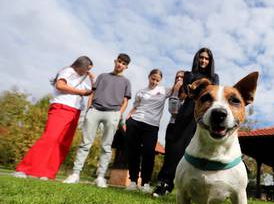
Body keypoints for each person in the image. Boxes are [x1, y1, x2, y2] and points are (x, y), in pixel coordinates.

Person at [151, 47, 219, 196]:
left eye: (206, 59)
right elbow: (189, 93)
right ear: (197, 58)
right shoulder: (189, 75)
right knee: (175, 150)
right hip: (187, 113)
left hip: (205, 115)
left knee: (201, 152)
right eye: (201, 57)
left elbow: (213, 94)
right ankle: (164, 184)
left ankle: (198, 190)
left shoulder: (215, 78)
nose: (203, 60)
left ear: (210, 61)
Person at [12, 56, 94, 180]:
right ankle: (24, 169)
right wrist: (80, 92)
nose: (87, 72)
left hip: (75, 110)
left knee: (62, 143)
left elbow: (92, 91)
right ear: (81, 65)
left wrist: (92, 79)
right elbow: (60, 85)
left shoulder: (82, 79)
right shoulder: (68, 71)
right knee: (50, 137)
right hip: (62, 107)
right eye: (87, 68)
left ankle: (48, 173)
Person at [63, 53, 132, 188]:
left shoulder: (126, 82)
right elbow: (93, 93)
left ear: (126, 67)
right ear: (115, 61)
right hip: (95, 111)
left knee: (106, 146)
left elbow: (125, 100)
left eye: (124, 63)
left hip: (112, 113)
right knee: (85, 143)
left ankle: (100, 177)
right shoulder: (102, 76)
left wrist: (118, 114)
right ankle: (75, 174)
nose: (120, 64)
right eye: (119, 61)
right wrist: (89, 109)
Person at [125, 69, 173, 192]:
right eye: (153, 79)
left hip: (151, 126)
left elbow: (177, 88)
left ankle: (145, 183)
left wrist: (181, 79)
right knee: (133, 152)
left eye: (157, 80)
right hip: (135, 122)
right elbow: (135, 106)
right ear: (149, 77)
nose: (155, 82)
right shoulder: (141, 92)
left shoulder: (164, 91)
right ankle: (133, 181)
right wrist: (128, 118)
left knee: (149, 153)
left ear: (160, 80)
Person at [152, 70, 185, 197]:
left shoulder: (191, 94)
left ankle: (179, 187)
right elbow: (173, 111)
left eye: (182, 77)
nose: (179, 79)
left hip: (186, 129)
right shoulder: (173, 93)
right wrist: (176, 92)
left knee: (180, 158)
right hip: (173, 126)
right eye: (177, 77)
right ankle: (163, 185)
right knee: (170, 156)